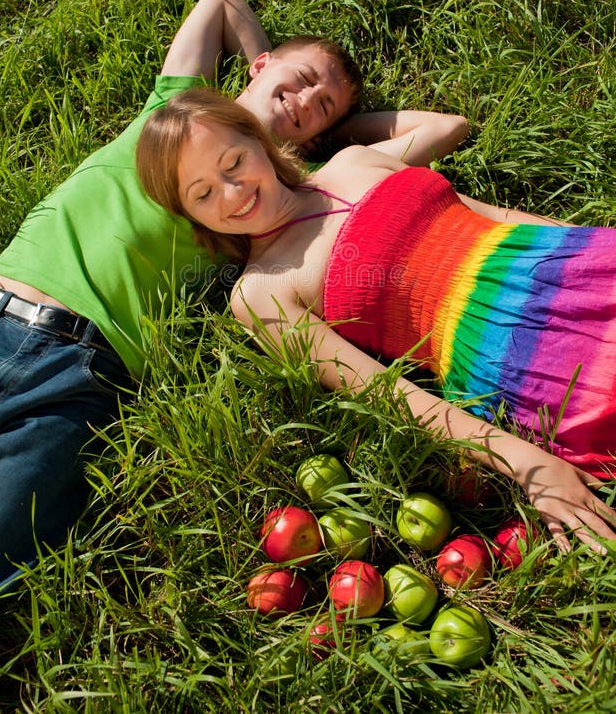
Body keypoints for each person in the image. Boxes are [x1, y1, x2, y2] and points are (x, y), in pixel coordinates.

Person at [0, 0, 467, 614]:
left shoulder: (275, 200)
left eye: (319, 107)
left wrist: (336, 132)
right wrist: (252, 88)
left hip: (80, 385)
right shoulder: (173, 111)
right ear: (259, 67)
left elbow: (447, 126)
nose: (302, 101)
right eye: (297, 81)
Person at [136, 89, 616, 554]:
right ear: (189, 214)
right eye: (203, 193)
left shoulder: (355, 161)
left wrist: (592, 244)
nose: (232, 191)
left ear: (257, 139)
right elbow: (388, 394)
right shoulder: (260, 293)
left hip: (566, 265)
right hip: (523, 354)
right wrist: (528, 464)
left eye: (233, 162)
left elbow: (500, 218)